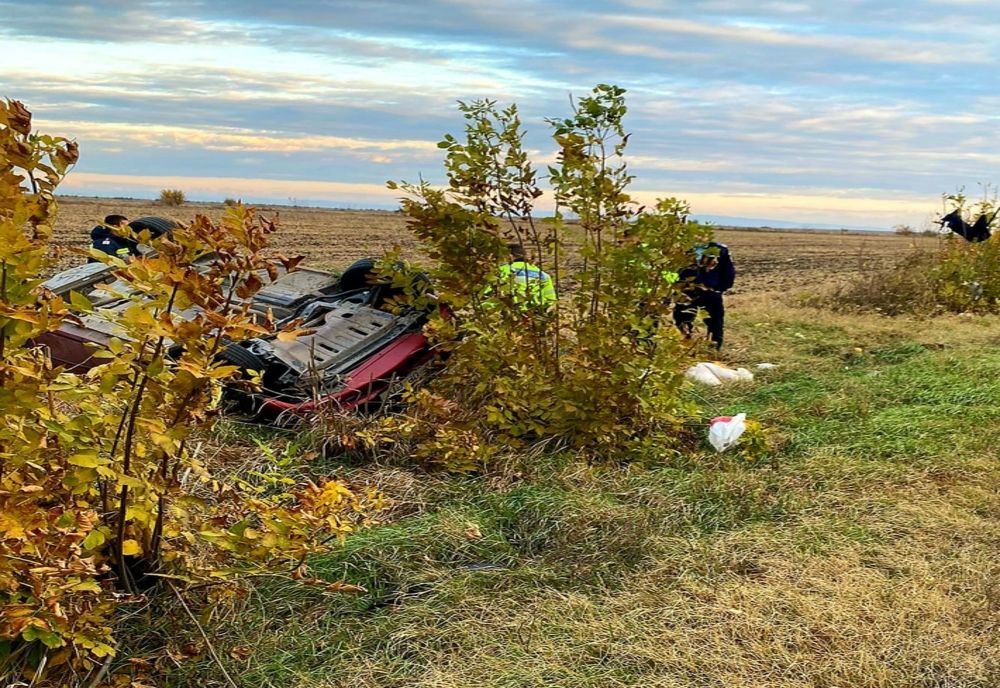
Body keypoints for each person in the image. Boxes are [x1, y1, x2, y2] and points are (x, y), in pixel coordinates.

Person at [673, 240, 735, 350]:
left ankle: (714, 349)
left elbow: (728, 271)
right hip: (686, 291)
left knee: (714, 322)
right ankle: (685, 346)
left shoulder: (720, 250)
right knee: (682, 320)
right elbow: (674, 269)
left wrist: (719, 289)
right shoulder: (682, 248)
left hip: (710, 292)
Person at [493, 242, 556, 310]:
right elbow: (550, 301)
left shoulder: (502, 270)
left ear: (509, 256)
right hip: (532, 314)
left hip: (506, 312)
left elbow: (485, 294)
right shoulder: (543, 275)